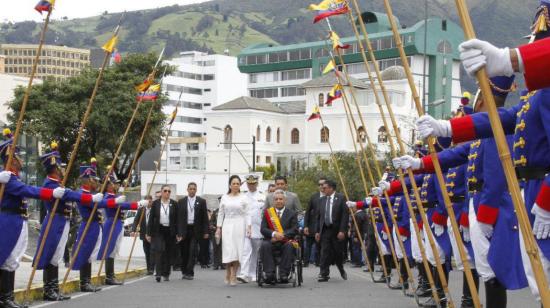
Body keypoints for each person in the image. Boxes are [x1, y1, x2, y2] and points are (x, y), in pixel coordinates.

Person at [0, 136, 87, 308]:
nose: (20, 159)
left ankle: (8, 297)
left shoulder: (12, 178)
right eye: (17, 156)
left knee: (13, 258)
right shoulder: (8, 178)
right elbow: (27, 190)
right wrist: (51, 194)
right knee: (8, 258)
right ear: (11, 159)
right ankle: (5, 298)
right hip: (9, 222)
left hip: (18, 221)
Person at [33, 142, 104, 302]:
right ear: (55, 168)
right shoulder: (50, 185)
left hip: (61, 222)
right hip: (54, 221)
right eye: (61, 166)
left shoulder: (57, 184)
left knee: (56, 255)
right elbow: (73, 195)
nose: (64, 169)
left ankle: (53, 288)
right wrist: (91, 197)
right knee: (53, 255)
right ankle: (49, 289)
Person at [71, 159, 137, 293]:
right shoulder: (84, 194)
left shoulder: (93, 194)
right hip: (89, 225)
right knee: (86, 253)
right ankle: (84, 282)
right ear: (88, 180)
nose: (97, 182)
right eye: (94, 180)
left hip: (96, 225)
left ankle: (88, 281)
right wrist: (118, 202)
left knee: (93, 253)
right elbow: (98, 204)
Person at [96, 168, 146, 286]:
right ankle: (109, 276)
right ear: (109, 185)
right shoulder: (109, 197)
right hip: (112, 223)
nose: (118, 185)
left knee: (114, 250)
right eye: (115, 183)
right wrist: (137, 204)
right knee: (110, 250)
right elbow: (122, 205)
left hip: (117, 223)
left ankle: (111, 275)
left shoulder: (115, 196)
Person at [215, 175, 251, 286]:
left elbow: (247, 213)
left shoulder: (244, 197)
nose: (235, 185)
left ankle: (234, 274)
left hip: (240, 224)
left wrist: (249, 226)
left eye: (237, 183)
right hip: (227, 224)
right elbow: (221, 213)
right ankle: (227, 272)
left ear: (240, 185)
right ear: (230, 185)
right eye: (233, 183)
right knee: (228, 250)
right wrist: (218, 227)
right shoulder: (225, 197)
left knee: (237, 250)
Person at [259, 189, 298, 284]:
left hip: (286, 241)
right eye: (276, 199)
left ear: (285, 200)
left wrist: (282, 235)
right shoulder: (268, 213)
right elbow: (263, 229)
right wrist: (274, 234)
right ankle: (269, 274)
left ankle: (284, 274)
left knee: (289, 246)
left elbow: (294, 229)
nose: (278, 201)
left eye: (281, 199)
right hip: (271, 240)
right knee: (264, 245)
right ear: (273, 201)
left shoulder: (292, 213)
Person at [315, 179, 349, 282]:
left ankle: (341, 268)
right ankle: (324, 273)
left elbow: (345, 215)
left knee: (337, 252)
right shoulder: (321, 200)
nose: (322, 189)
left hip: (337, 230)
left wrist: (343, 231)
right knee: (324, 251)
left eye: (324, 187)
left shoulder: (341, 198)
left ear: (331, 188)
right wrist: (317, 231)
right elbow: (318, 217)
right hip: (325, 229)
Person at [146, 185, 181, 283]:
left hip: (170, 231)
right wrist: (148, 233)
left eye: (169, 191)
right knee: (159, 251)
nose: (167, 193)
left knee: (168, 253)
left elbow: (177, 220)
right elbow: (151, 219)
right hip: (158, 230)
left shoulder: (174, 204)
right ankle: (158, 273)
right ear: (161, 192)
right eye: (165, 191)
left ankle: (166, 273)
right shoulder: (155, 204)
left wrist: (178, 233)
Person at [177, 182, 209, 280]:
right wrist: (178, 232)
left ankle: (190, 272)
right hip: (184, 229)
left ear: (196, 190)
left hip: (195, 230)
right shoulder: (181, 201)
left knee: (192, 251)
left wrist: (206, 231)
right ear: (187, 189)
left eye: (194, 189)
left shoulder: (201, 201)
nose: (192, 191)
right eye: (190, 189)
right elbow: (178, 218)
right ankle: (184, 271)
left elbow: (205, 218)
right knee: (184, 252)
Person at [238, 174, 265, 283]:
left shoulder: (263, 197)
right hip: (245, 228)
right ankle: (243, 273)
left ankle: (253, 273)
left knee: (256, 253)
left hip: (258, 228)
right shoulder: (242, 197)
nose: (251, 185)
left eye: (253, 183)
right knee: (245, 251)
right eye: (249, 183)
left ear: (257, 184)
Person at [303, 177, 325, 267]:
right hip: (312, 226)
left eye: (323, 184)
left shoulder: (330, 197)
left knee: (320, 246)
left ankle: (318, 261)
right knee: (308, 245)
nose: (321, 186)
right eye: (319, 184)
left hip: (324, 227)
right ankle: (306, 262)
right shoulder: (314, 197)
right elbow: (307, 212)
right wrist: (306, 226)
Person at [131, 195, 154, 275]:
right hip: (144, 234)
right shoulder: (141, 210)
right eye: (147, 202)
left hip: (153, 234)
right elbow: (136, 220)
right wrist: (133, 230)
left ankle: (152, 268)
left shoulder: (155, 209)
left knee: (153, 251)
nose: (148, 203)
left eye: (150, 201)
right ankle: (149, 269)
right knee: (147, 252)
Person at [210, 205, 223, 270]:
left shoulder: (226, 211)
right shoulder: (215, 212)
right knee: (215, 248)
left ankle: (223, 264)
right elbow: (211, 222)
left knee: (223, 249)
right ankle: (216, 264)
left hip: (225, 233)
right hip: (216, 232)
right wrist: (214, 227)